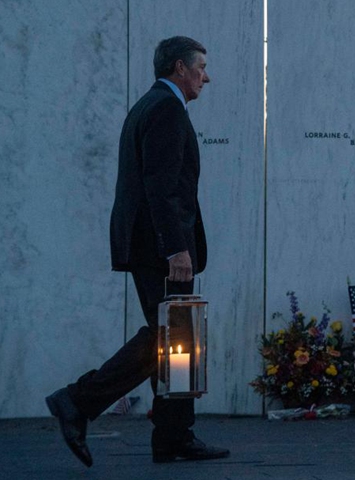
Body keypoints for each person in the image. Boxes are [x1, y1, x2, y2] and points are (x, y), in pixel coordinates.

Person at [45, 36, 229, 466]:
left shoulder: (151, 105)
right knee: (169, 335)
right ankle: (78, 400)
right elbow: (160, 190)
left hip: (151, 245)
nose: (206, 75)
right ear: (179, 68)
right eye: (200, 66)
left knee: (176, 336)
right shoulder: (165, 108)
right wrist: (175, 250)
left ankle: (173, 435)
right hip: (159, 248)